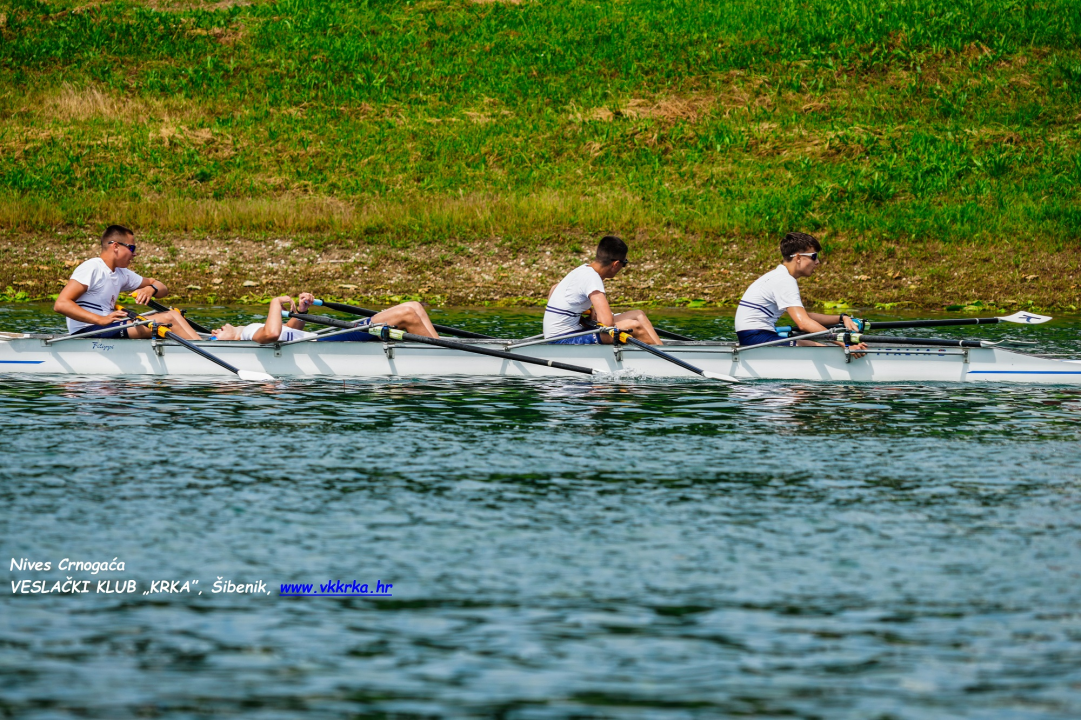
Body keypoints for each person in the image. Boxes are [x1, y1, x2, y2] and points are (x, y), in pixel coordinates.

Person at [54, 225, 201, 339]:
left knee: (174, 315)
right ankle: (205, 350)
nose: (135, 254)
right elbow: (61, 304)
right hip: (87, 330)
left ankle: (204, 346)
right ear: (115, 246)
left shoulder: (121, 273)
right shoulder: (92, 267)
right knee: (168, 318)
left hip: (108, 327)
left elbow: (162, 287)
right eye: (132, 248)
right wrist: (100, 319)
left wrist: (151, 289)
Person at [734, 232, 867, 354]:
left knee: (817, 344)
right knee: (826, 350)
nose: (817, 262)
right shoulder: (784, 280)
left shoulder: (778, 276)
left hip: (754, 336)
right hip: (757, 338)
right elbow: (803, 323)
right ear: (798, 257)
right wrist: (845, 343)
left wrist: (842, 318)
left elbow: (805, 316)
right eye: (814, 257)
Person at [543, 235, 662, 345]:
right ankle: (663, 362)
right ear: (615, 264)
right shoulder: (592, 278)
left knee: (638, 315)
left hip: (561, 333)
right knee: (634, 326)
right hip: (562, 339)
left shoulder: (582, 270)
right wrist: (596, 317)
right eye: (624, 263)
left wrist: (581, 313)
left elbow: (554, 289)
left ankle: (664, 350)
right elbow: (607, 323)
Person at [210, 293, 440, 343]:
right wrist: (273, 302)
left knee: (414, 306)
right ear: (228, 341)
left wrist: (301, 311)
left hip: (327, 336)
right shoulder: (248, 334)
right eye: (214, 337)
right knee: (408, 311)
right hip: (331, 340)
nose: (214, 331)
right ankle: (443, 354)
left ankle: (440, 349)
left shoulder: (250, 330)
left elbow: (290, 331)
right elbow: (272, 334)